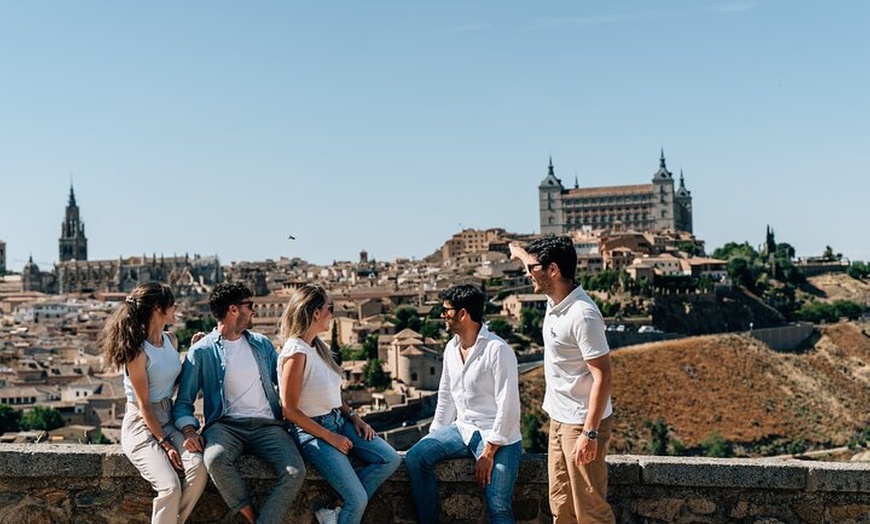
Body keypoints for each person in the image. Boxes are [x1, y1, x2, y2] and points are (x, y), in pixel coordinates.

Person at [172, 282, 306, 524]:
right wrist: (189, 430)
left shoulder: (262, 344)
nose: (253, 311)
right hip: (226, 426)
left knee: (296, 472)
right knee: (214, 459)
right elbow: (183, 402)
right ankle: (251, 516)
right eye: (250, 306)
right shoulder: (201, 351)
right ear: (234, 310)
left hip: (268, 426)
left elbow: (285, 383)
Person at [510, 235, 615, 524]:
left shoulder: (582, 315)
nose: (526, 272)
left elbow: (603, 376)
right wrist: (518, 251)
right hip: (559, 417)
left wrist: (590, 433)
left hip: (582, 422)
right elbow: (526, 258)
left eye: (532, 268)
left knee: (589, 508)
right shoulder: (555, 297)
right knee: (561, 504)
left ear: (553, 270)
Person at [278, 285, 400, 524]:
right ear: (315, 313)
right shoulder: (295, 351)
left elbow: (332, 395)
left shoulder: (318, 347)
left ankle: (334, 509)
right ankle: (343, 505)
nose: (332, 314)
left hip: (338, 420)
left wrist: (354, 417)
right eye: (329, 308)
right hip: (312, 432)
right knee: (357, 499)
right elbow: (289, 410)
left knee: (390, 459)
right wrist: (329, 438)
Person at [405, 284, 522, 524]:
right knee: (416, 457)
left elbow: (508, 406)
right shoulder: (451, 348)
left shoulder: (497, 350)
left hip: (498, 436)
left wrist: (489, 452)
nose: (442, 316)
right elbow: (446, 396)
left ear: (463, 314)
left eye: (446, 311)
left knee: (498, 505)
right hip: (463, 429)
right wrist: (434, 437)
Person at [100, 282, 208, 524]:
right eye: (172, 302)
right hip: (141, 424)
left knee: (198, 470)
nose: (177, 306)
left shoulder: (171, 340)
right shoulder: (137, 352)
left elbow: (172, 382)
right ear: (158, 308)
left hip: (168, 417)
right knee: (169, 487)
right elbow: (145, 405)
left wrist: (192, 352)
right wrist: (166, 444)